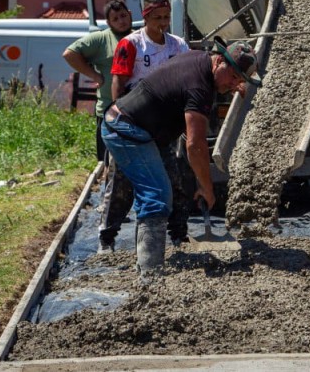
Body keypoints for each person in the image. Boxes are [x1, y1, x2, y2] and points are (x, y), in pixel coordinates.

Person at [101, 39, 262, 280]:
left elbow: (200, 89)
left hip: (143, 130)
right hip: (128, 130)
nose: (235, 84)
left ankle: (147, 259)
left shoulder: (200, 60)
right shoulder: (200, 86)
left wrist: (229, 85)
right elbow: (195, 146)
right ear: (219, 61)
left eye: (240, 80)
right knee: (156, 195)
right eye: (234, 76)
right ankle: (150, 277)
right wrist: (207, 187)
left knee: (166, 190)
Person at [109, 0, 192, 246]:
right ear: (146, 17)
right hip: (134, 119)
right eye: (157, 17)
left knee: (173, 179)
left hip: (163, 123)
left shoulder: (177, 45)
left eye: (167, 17)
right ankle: (107, 235)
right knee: (122, 183)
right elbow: (119, 82)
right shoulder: (131, 44)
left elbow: (188, 76)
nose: (163, 23)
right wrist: (117, 118)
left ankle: (178, 234)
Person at [62, 0, 134, 251]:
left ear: (130, 14)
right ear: (108, 22)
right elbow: (70, 54)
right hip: (109, 113)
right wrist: (94, 75)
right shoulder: (101, 39)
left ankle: (129, 205)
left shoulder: (139, 37)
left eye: (124, 16)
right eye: (115, 19)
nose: (121, 21)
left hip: (137, 112)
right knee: (109, 163)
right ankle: (109, 208)